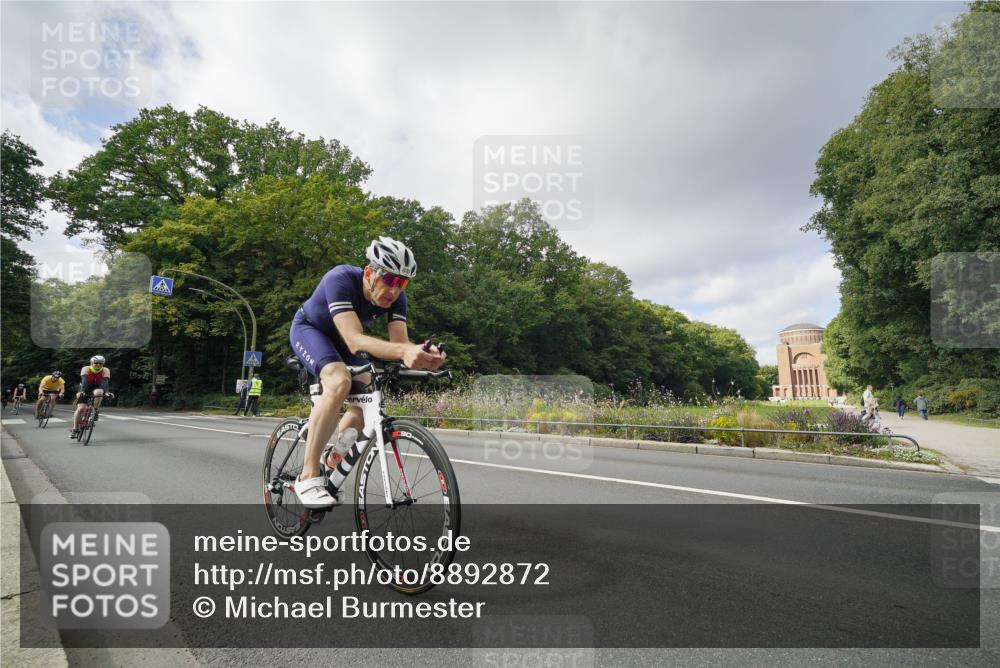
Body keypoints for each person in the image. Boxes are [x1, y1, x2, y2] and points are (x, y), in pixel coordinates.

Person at [288, 236, 444, 508]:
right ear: (370, 273)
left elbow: (398, 344)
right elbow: (354, 340)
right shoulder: (340, 279)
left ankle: (331, 462)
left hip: (343, 341)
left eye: (403, 283)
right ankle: (308, 475)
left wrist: (419, 353)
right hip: (312, 330)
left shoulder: (397, 299)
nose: (395, 290)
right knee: (339, 381)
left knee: (364, 402)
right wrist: (403, 351)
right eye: (390, 280)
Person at [70, 356, 114, 438]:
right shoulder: (86, 368)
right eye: (96, 363)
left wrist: (107, 392)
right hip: (85, 387)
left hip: (97, 387)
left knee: (99, 392)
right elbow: (84, 380)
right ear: (91, 363)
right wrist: (81, 391)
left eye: (100, 363)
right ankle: (75, 428)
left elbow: (105, 382)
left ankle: (95, 410)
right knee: (80, 409)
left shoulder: (105, 370)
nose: (98, 365)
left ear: (103, 364)